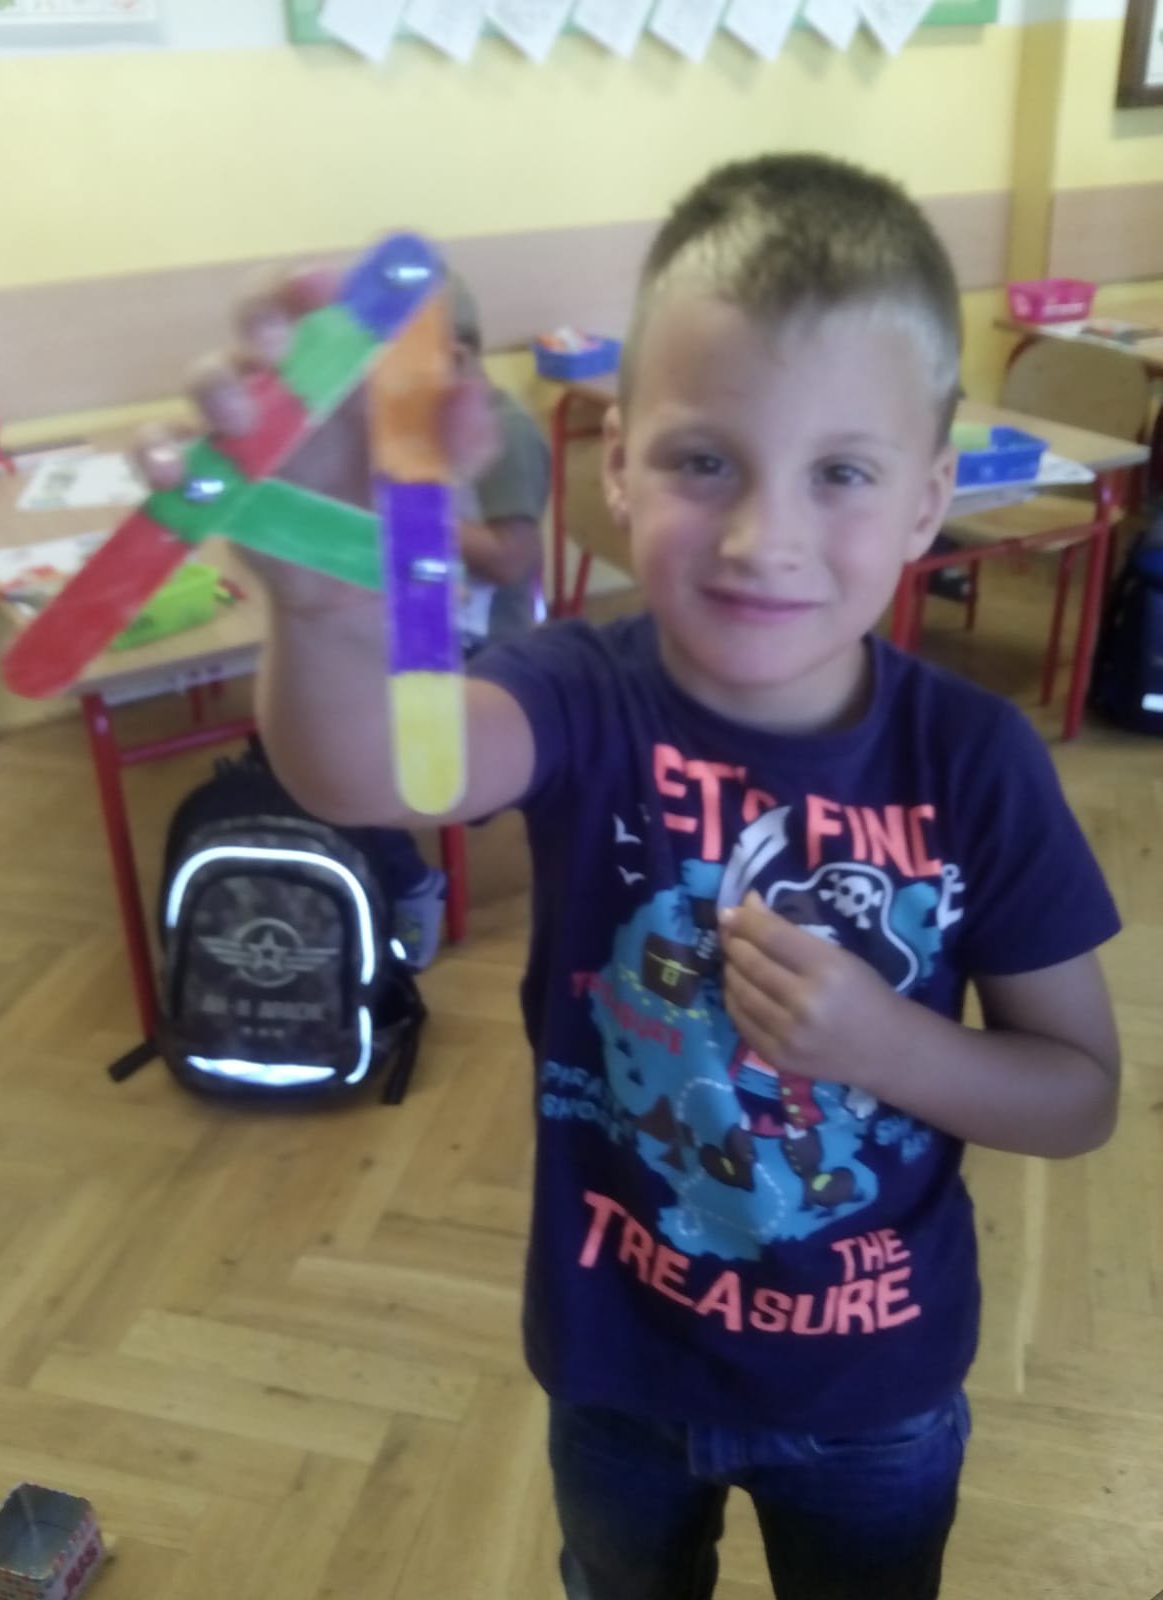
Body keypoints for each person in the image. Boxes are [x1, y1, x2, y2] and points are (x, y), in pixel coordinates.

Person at [144, 154, 1121, 1600]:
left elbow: (1079, 1094)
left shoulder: (975, 760)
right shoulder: (575, 690)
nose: (764, 538)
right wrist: (332, 608)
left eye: (841, 473)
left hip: (873, 1389)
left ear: (928, 500)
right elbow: (375, 771)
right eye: (703, 460)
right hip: (619, 1360)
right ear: (617, 465)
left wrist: (883, 1043)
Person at [360, 270, 550, 968]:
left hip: (483, 643)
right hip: (422, 620)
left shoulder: (506, 433)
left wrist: (412, 513)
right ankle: (368, 868)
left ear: (460, 357)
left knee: (360, 748)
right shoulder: (419, 421)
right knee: (309, 722)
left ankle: (411, 882)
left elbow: (510, 558)